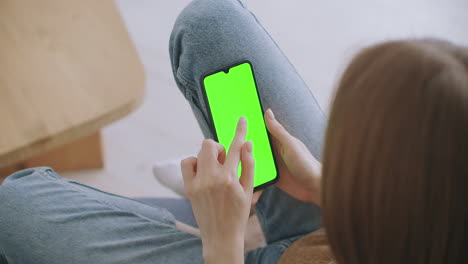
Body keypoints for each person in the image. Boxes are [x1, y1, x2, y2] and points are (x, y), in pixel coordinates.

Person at [0, 0, 467, 263]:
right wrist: (328, 188)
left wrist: (220, 242)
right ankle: (245, 222)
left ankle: (235, 230)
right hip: (342, 238)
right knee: (211, 24)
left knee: (14, 204)